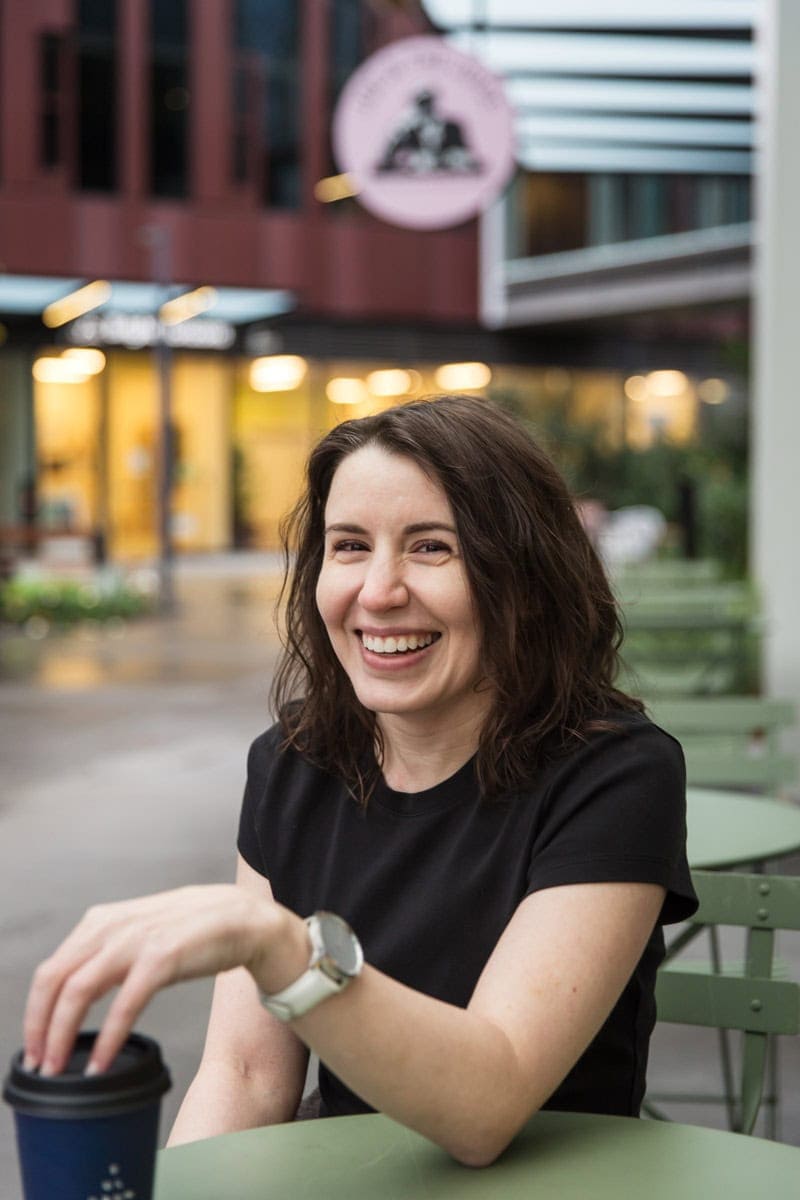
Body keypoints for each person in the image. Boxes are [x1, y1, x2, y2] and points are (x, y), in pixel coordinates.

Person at [22, 395, 696, 1168]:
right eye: (349, 545)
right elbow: (245, 1078)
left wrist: (280, 946)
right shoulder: (294, 763)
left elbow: (489, 1101)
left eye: (431, 547)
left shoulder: (616, 773)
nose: (378, 591)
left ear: (524, 575)